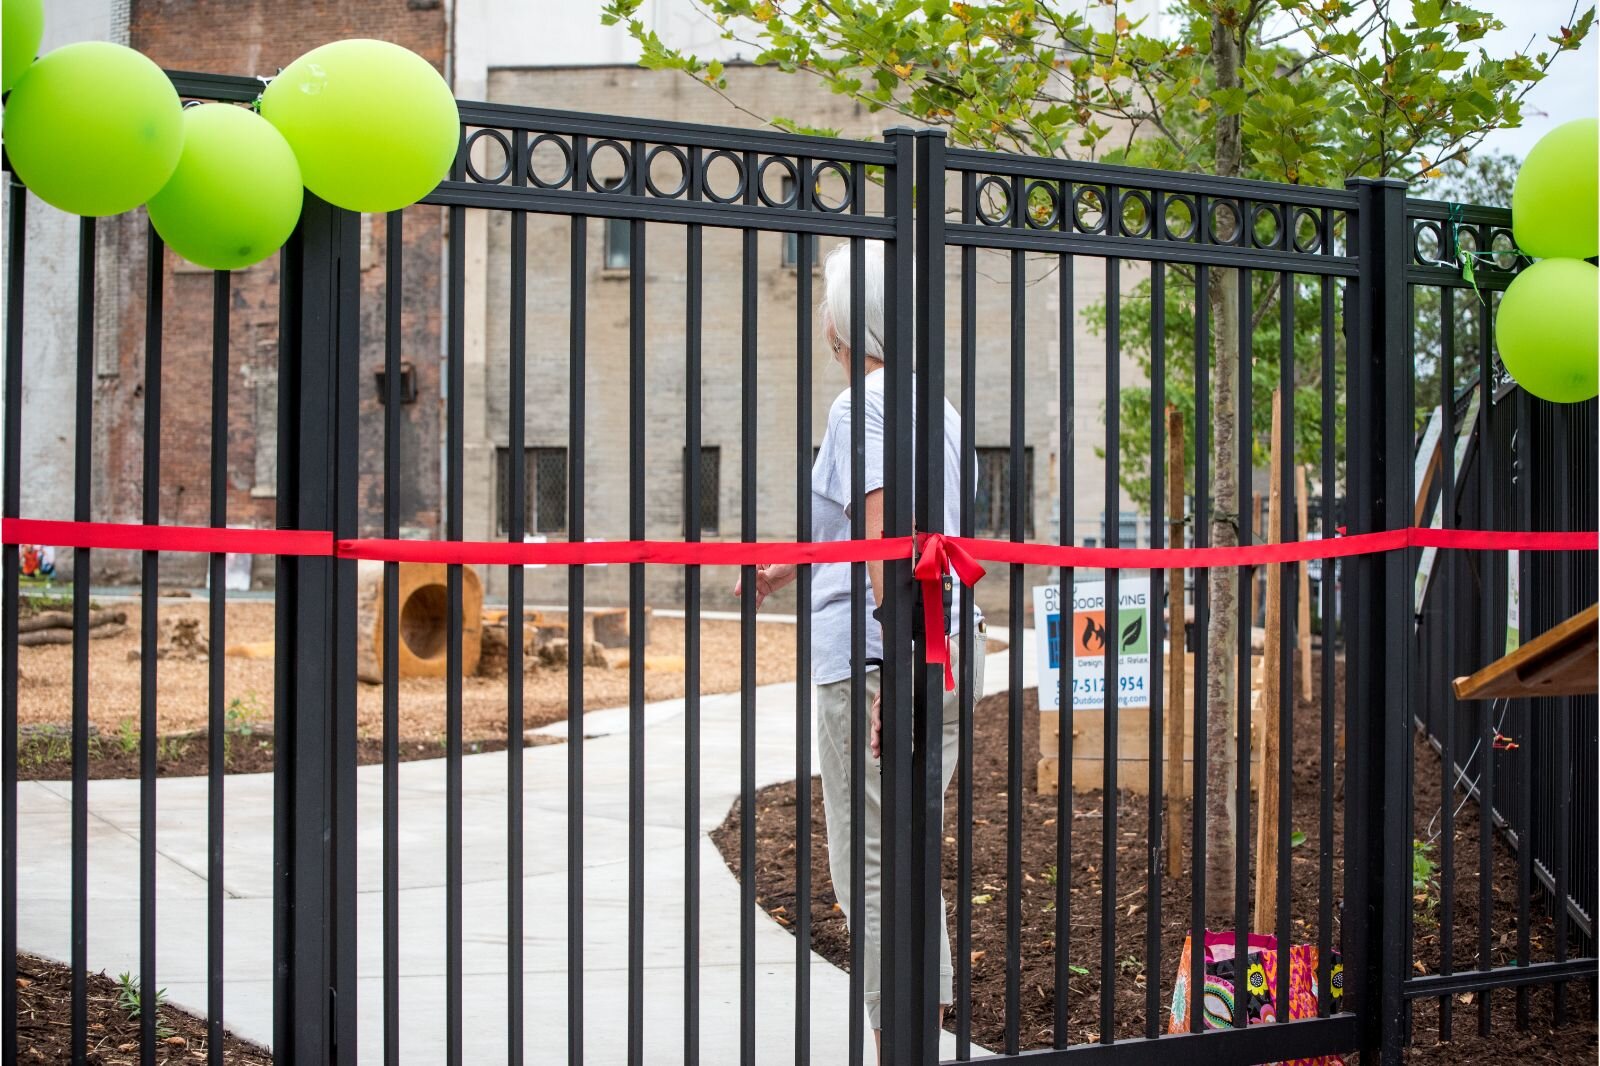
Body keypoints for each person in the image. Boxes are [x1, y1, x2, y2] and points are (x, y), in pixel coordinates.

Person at [735, 239, 984, 1055]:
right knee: (905, 846)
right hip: (950, 642)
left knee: (871, 862)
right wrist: (795, 563)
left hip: (884, 654)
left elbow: (886, 539)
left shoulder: (859, 404)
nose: (821, 319)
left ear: (848, 318)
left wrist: (889, 665)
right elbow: (906, 532)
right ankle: (919, 1035)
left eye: (827, 300)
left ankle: (899, 1048)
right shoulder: (936, 406)